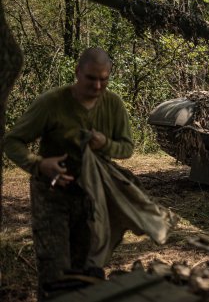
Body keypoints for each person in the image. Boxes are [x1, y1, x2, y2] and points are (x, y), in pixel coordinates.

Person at [4, 47, 134, 298]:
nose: (98, 86)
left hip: (91, 198)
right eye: (91, 78)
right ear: (77, 73)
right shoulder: (52, 102)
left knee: (87, 271)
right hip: (52, 196)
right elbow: (12, 141)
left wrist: (105, 144)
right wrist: (39, 164)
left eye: (104, 79)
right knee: (55, 274)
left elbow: (127, 148)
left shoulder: (113, 104)